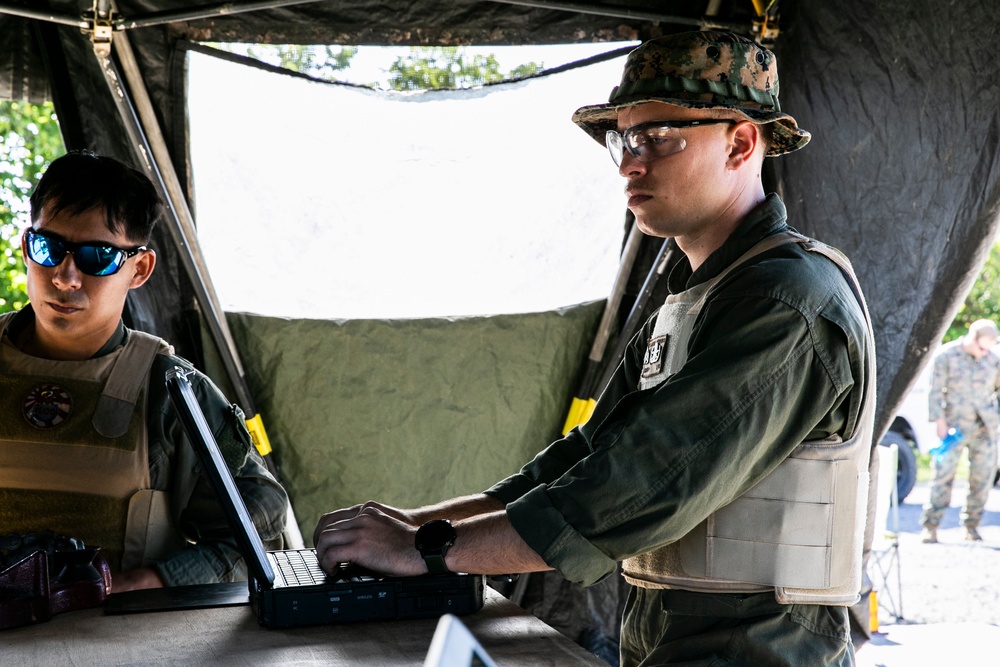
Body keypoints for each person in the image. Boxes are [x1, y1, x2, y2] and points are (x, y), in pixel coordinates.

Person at [313, 31, 876, 666]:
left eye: (657, 139)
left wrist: (427, 549)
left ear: (741, 142)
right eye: (623, 141)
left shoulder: (785, 302)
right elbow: (582, 458)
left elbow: (639, 481)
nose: (630, 164)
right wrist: (417, 526)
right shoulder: (696, 298)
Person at [0, 151, 288, 592]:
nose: (65, 276)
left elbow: (260, 522)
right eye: (48, 248)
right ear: (26, 247)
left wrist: (154, 580)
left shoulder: (171, 392)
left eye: (97, 256)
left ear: (140, 268)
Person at [920, 319, 1000, 543]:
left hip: (984, 428)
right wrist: (939, 421)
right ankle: (931, 526)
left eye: (989, 349)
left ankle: (971, 526)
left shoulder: (993, 361)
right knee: (942, 476)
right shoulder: (946, 356)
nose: (985, 353)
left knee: (982, 479)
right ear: (972, 338)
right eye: (982, 348)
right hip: (954, 426)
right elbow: (935, 390)